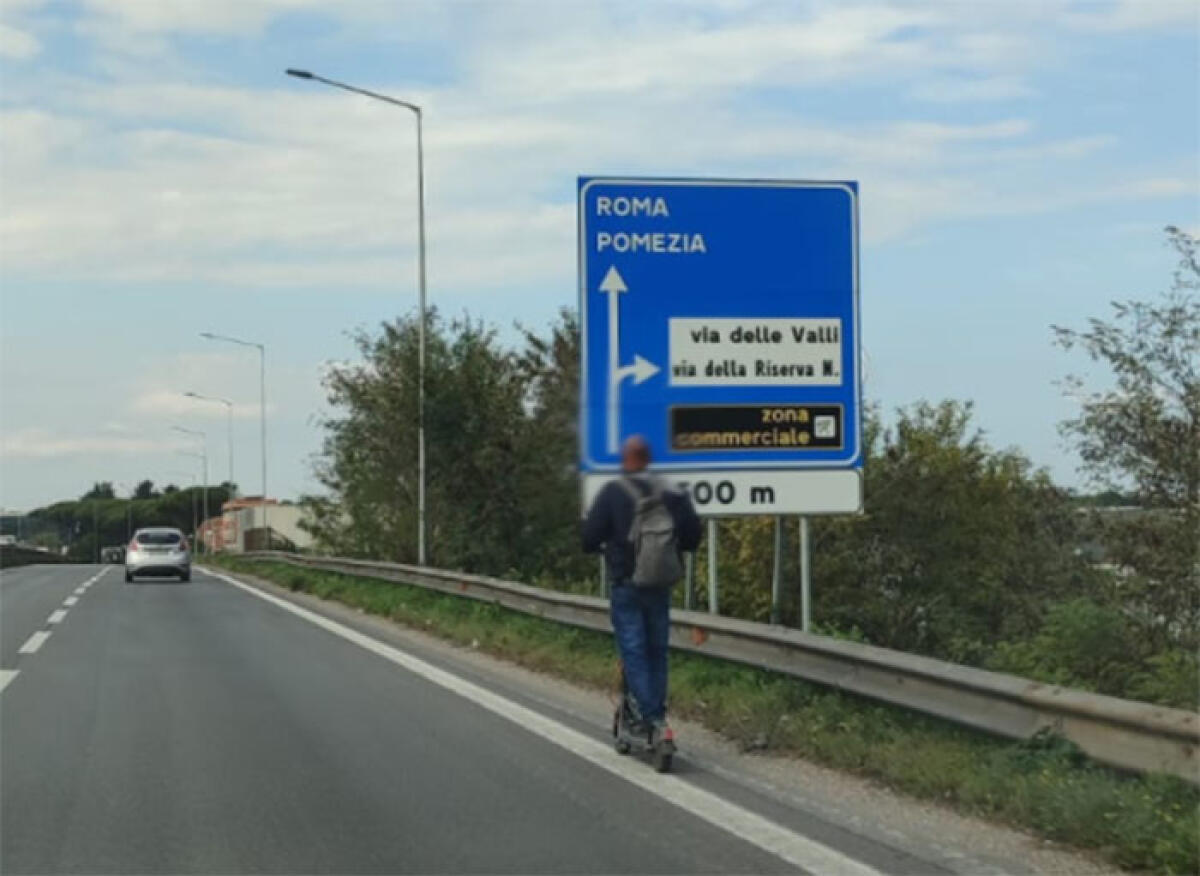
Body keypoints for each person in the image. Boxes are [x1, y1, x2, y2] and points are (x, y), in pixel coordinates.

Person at [582, 435, 702, 743]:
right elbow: (693, 535)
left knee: (634, 651)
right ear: (649, 460)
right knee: (657, 651)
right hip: (659, 585)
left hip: (626, 584)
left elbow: (588, 537)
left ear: (626, 461)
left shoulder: (613, 492)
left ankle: (653, 719)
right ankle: (656, 715)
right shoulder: (671, 491)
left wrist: (603, 547)